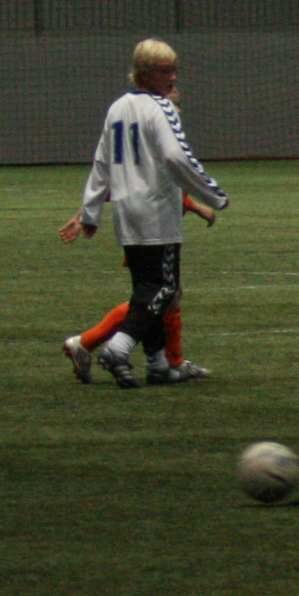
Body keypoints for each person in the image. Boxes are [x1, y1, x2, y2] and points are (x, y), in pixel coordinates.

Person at [59, 39, 230, 388]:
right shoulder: (160, 107)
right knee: (164, 289)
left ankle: (158, 365)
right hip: (156, 210)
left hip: (126, 211)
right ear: (146, 73)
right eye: (166, 71)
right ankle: (117, 349)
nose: (173, 77)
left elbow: (102, 162)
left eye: (174, 70)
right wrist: (213, 194)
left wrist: (91, 212)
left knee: (145, 289)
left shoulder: (118, 107)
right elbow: (176, 156)